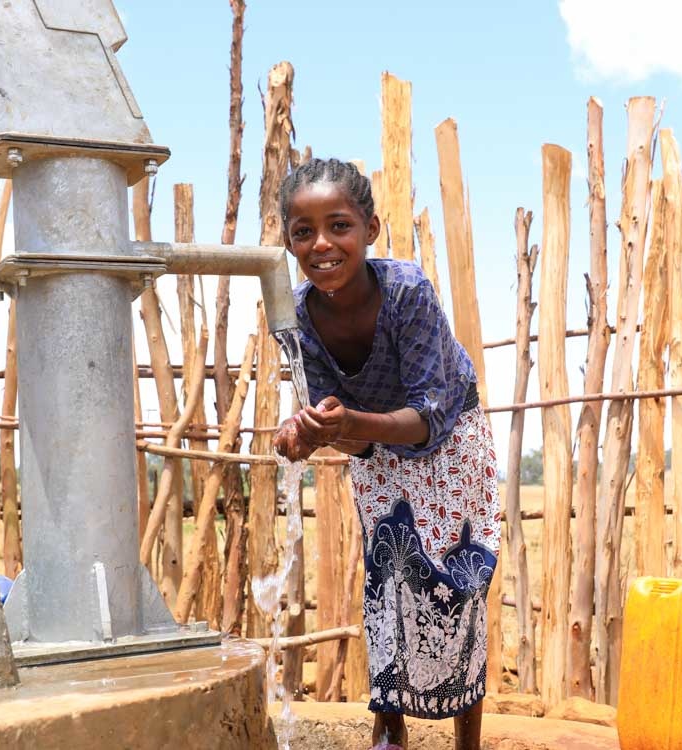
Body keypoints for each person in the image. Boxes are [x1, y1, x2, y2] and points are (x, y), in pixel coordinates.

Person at [273, 158, 501, 750]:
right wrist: (312, 432)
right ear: (288, 240)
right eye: (304, 231)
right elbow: (345, 431)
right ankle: (389, 730)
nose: (322, 243)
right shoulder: (297, 319)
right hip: (376, 447)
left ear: (370, 230)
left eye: (339, 225)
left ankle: (467, 739)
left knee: (459, 582)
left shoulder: (407, 293)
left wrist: (347, 424)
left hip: (452, 443)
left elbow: (427, 418)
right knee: (389, 577)